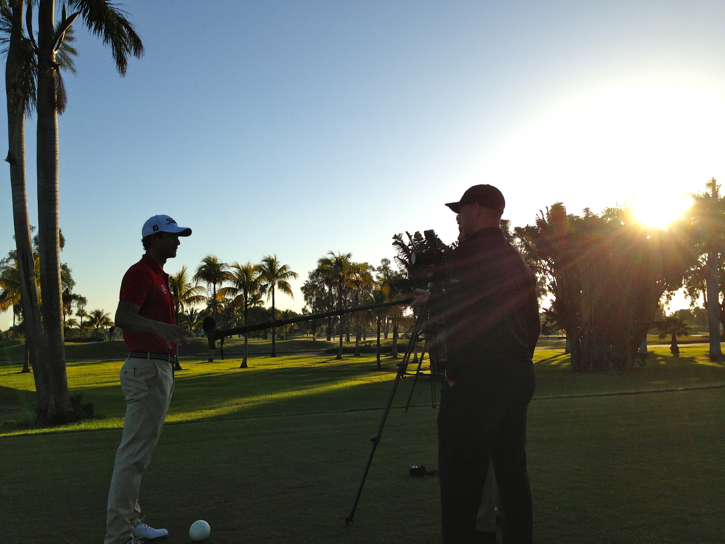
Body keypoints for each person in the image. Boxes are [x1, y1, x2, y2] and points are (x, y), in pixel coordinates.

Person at [412, 184, 540, 544]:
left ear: (480, 209)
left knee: (459, 480)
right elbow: (523, 319)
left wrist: (454, 374)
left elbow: (469, 318)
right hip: (515, 377)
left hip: (475, 384)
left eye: (462, 208)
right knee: (512, 474)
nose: (457, 215)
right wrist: (436, 297)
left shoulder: (468, 253)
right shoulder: (512, 258)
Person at [105, 215, 194, 544]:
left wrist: (171, 333)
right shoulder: (140, 273)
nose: (178, 241)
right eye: (172, 236)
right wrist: (160, 328)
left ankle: (130, 521)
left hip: (159, 369)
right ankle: (118, 535)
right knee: (133, 455)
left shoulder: (160, 277)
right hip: (145, 369)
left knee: (140, 454)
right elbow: (122, 317)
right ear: (154, 239)